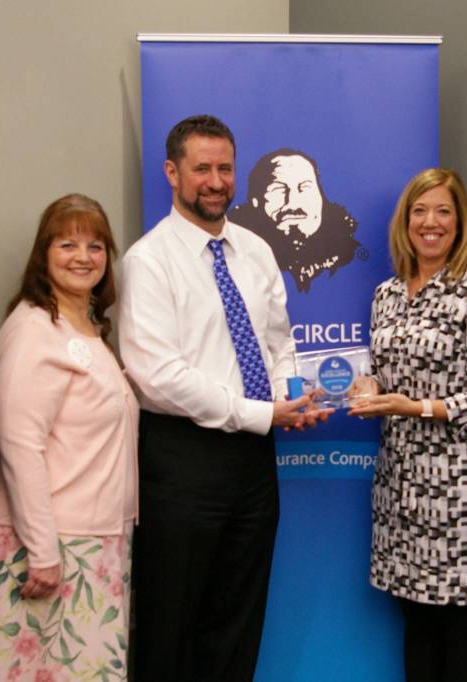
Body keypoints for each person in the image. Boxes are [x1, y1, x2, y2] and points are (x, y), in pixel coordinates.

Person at [119, 115, 327, 681]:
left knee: (239, 617)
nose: (216, 181)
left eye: (225, 168)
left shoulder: (255, 249)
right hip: (182, 461)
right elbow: (157, 374)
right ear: (173, 172)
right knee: (173, 622)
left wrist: (291, 397)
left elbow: (277, 340)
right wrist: (261, 413)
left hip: (254, 462)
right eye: (202, 168)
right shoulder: (149, 261)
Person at [0, 194, 138, 679]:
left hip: (93, 541)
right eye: (68, 244)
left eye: (96, 246)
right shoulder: (34, 332)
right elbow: (19, 446)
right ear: (44, 254)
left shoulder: (88, 328)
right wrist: (42, 550)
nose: (83, 257)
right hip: (48, 546)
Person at [349, 168, 467, 681]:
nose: (430, 222)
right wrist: (369, 389)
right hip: (399, 481)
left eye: (443, 211)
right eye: (420, 211)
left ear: (460, 222)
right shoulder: (387, 296)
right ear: (406, 221)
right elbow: (381, 372)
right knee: (415, 615)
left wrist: (416, 407)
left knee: (456, 615)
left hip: (454, 485)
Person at [228, 148, 362, 292]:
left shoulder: (348, 254)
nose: (293, 202)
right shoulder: (232, 262)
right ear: (255, 201)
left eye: (304, 188)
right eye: (279, 189)